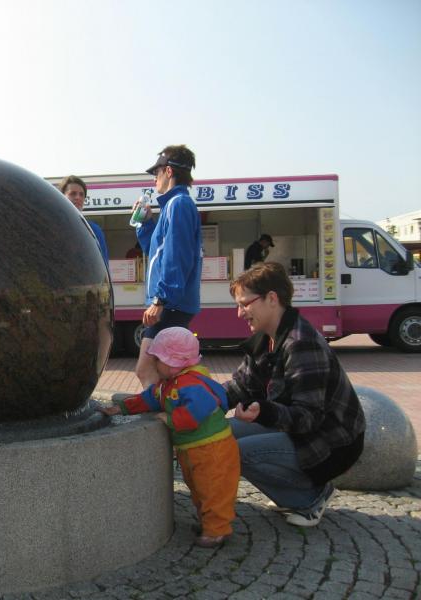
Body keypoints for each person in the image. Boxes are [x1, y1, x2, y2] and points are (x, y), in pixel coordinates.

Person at [224, 262, 365, 527]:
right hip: (299, 429)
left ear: (272, 299)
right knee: (221, 435)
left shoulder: (301, 343)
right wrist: (200, 400)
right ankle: (295, 490)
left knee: (236, 452)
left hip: (331, 443)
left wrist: (265, 411)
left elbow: (308, 418)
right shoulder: (266, 338)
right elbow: (240, 385)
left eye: (244, 304)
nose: (239, 313)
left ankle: (309, 498)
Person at [99, 327, 240, 548]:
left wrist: (170, 418)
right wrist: (122, 408)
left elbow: (196, 412)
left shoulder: (191, 384)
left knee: (214, 489)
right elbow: (148, 398)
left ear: (173, 362)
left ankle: (217, 530)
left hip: (213, 450)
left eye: (158, 359)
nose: (154, 363)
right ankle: (210, 524)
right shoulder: (169, 383)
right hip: (195, 449)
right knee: (199, 488)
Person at [132, 145, 202, 388]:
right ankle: (173, 409)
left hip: (171, 305)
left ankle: (165, 412)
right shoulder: (175, 205)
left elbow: (177, 257)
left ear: (169, 171)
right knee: (162, 372)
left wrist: (160, 300)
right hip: (173, 304)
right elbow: (157, 253)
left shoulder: (177, 205)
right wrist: (145, 223)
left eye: (156, 172)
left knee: (147, 370)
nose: (154, 179)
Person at [58, 175, 109, 266]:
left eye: (81, 194)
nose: (78, 197)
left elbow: (104, 265)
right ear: (61, 196)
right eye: (73, 193)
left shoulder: (94, 230)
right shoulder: (53, 226)